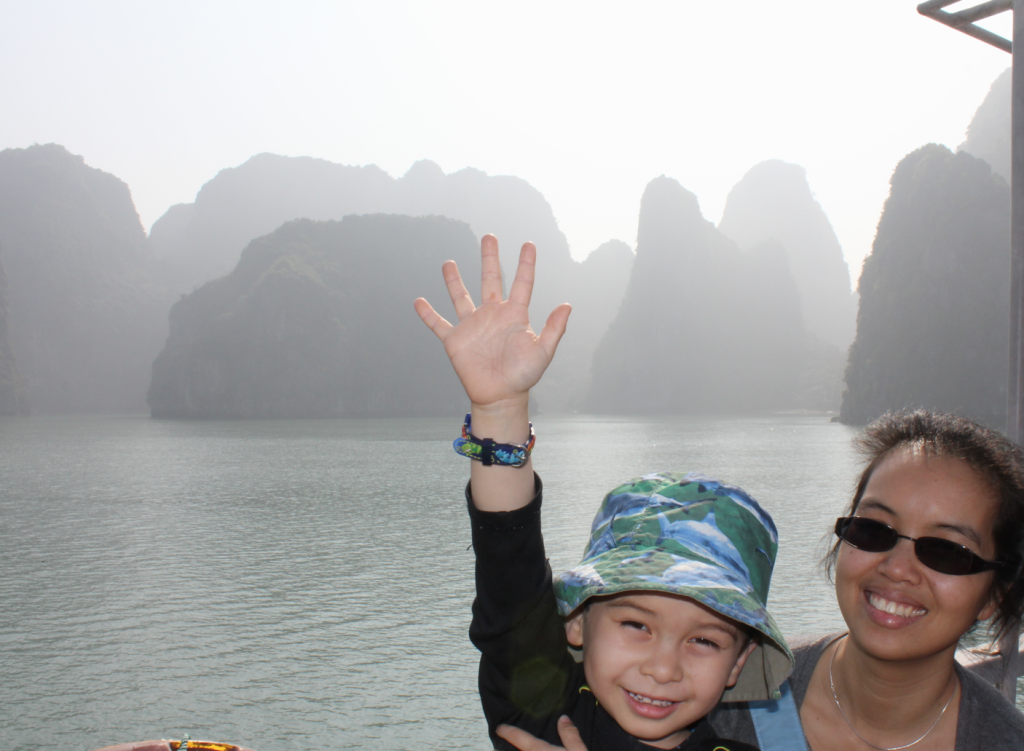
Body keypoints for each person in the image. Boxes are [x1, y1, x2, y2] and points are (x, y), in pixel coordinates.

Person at [414, 235, 793, 750]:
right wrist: (500, 413)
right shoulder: (544, 709)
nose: (663, 668)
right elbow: (510, 574)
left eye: (705, 640)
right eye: (636, 624)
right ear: (575, 624)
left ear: (738, 662)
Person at [504, 410, 1024, 751]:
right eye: (874, 529)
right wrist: (499, 418)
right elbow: (509, 607)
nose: (897, 567)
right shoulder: (707, 703)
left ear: (994, 596)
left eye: (948, 551)